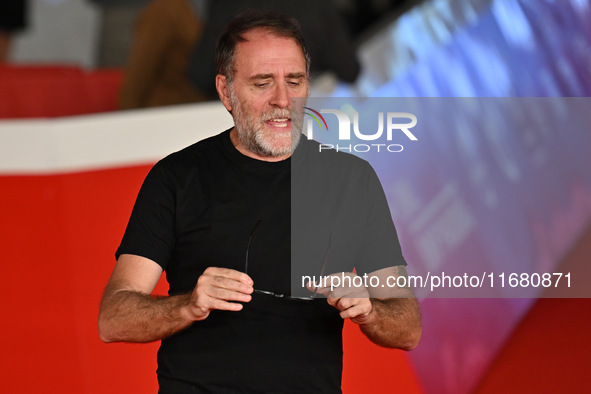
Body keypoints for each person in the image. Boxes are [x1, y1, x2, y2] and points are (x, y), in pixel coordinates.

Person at [98, 10, 421, 393]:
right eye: (262, 83)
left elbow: (408, 328)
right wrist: (187, 306)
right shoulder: (176, 177)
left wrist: (369, 310)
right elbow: (113, 318)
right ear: (225, 92)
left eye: (295, 81)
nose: (282, 100)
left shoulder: (351, 180)